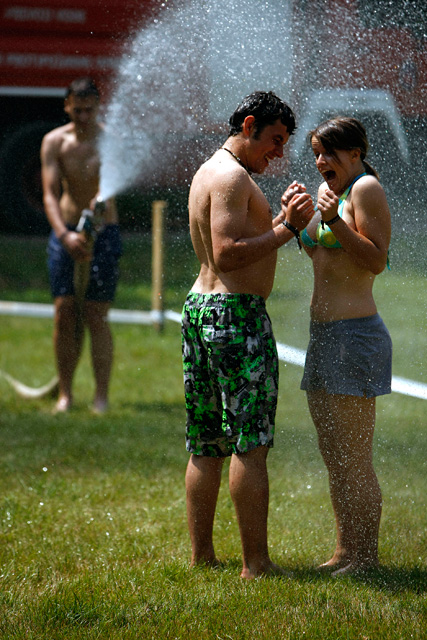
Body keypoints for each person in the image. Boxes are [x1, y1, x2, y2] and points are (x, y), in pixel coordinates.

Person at [181, 91, 315, 579]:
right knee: (249, 444)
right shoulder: (234, 177)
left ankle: (202, 558)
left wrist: (281, 220)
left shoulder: (210, 170)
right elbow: (228, 253)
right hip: (234, 317)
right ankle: (255, 564)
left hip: (200, 310)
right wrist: (288, 230)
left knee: (205, 442)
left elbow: (227, 246)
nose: (279, 153)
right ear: (250, 124)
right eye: (275, 141)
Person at [296, 116, 392, 576]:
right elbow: (323, 255)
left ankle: (367, 558)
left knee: (355, 456)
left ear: (354, 153)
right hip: (324, 337)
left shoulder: (365, 190)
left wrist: (332, 217)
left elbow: (376, 260)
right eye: (316, 153)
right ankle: (343, 551)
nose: (320, 162)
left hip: (355, 337)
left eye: (328, 153)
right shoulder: (332, 194)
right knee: (334, 453)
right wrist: (299, 225)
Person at [41, 77, 121, 414]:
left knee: (96, 314)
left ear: (98, 108)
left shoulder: (109, 140)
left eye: (89, 110)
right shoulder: (54, 142)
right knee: (64, 311)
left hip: (103, 232)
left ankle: (100, 398)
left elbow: (108, 189)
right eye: (77, 110)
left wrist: (94, 224)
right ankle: (66, 395)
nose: (84, 117)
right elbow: (49, 193)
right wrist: (65, 234)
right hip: (66, 231)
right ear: (67, 106)